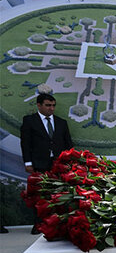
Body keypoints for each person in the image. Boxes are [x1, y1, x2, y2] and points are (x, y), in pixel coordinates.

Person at [20, 93, 73, 234]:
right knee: (39, 195)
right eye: (48, 105)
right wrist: (28, 162)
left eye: (53, 105)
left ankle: (58, 224)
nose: (51, 108)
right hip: (38, 164)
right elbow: (25, 144)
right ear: (39, 105)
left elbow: (68, 144)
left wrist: (70, 163)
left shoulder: (61, 122)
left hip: (58, 165)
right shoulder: (29, 121)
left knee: (59, 194)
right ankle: (38, 224)